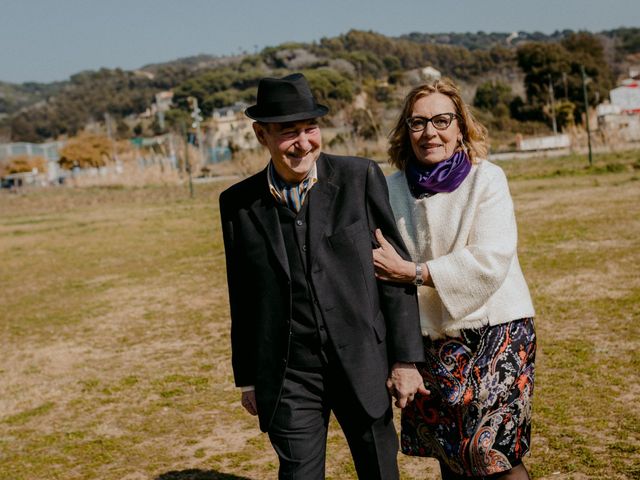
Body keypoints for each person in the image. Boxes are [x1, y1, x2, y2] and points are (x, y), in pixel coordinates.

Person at [219, 73, 426, 480]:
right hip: (288, 372)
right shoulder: (238, 204)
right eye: (288, 132)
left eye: (310, 129)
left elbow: (394, 273)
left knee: (380, 471)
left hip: (363, 362)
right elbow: (241, 294)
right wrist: (248, 377)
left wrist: (405, 359)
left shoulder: (359, 178)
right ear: (262, 135)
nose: (303, 142)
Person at [372, 78, 536, 480]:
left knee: (492, 454)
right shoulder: (389, 189)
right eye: (418, 123)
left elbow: (491, 257)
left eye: (442, 120)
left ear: (461, 125)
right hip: (428, 340)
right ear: (405, 131)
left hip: (496, 330)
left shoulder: (487, 178)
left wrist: (416, 272)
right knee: (451, 454)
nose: (430, 132)